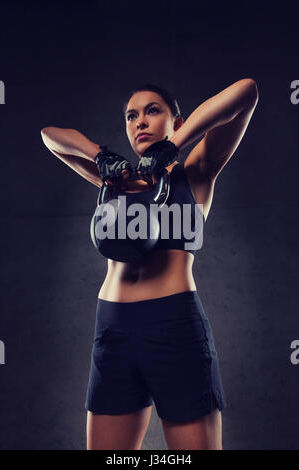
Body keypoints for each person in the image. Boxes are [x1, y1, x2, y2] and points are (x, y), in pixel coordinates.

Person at [41, 79, 258, 450]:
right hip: (113, 330)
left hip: (174, 324)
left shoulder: (196, 173)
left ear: (177, 120)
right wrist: (101, 156)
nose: (139, 121)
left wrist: (173, 146)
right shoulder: (114, 183)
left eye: (152, 111)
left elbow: (246, 92)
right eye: (131, 116)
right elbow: (50, 136)